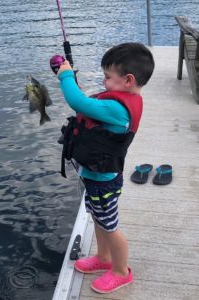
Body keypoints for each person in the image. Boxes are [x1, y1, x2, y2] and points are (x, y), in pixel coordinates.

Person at [57, 43, 154, 294]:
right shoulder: (120, 101)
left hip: (104, 181)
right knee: (99, 221)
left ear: (128, 80)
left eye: (108, 77)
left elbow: (75, 100)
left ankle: (121, 272)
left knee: (110, 227)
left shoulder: (117, 108)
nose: (104, 81)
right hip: (96, 177)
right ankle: (104, 258)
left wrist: (65, 74)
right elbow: (85, 106)